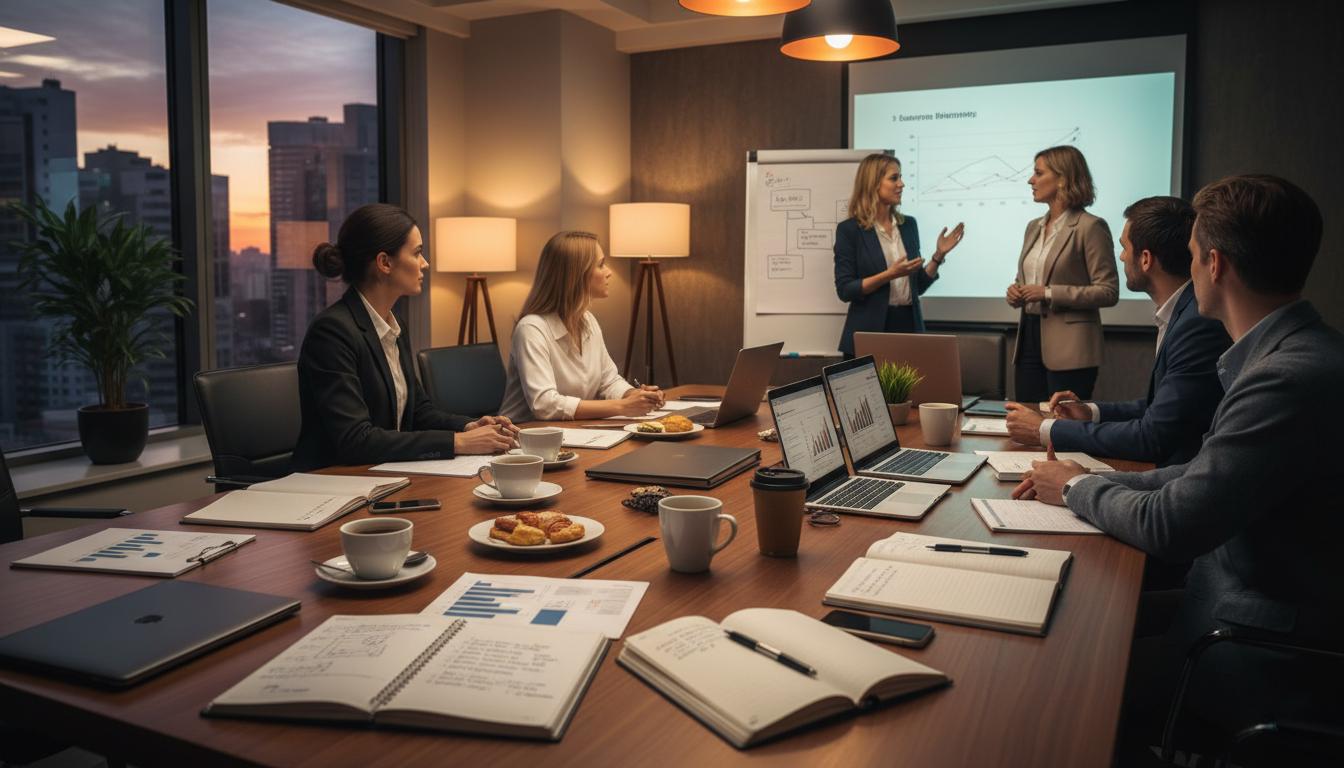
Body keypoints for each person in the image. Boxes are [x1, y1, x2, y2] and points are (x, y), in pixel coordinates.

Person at [1013, 175, 1344, 754]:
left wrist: (1073, 490)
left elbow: (1173, 525)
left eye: (1191, 256)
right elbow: (1199, 471)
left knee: (1053, 693)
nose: (1189, 273)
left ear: (1214, 264)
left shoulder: (1284, 379)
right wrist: (1086, 479)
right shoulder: (1297, 353)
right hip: (1238, 606)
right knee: (1070, 618)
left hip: (1253, 648)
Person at [1004, 196, 1230, 467]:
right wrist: (1090, 411)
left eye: (1124, 248)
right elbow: (1159, 408)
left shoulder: (1196, 325)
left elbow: (1152, 437)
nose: (1121, 256)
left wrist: (1044, 429)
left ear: (1145, 259)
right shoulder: (1183, 312)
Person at [292, 203, 517, 471]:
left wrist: (469, 426)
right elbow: (355, 440)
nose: (425, 263)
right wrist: (458, 442)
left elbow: (418, 412)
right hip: (332, 479)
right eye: (417, 253)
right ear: (385, 263)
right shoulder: (332, 332)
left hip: (382, 473)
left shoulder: (395, 325)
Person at [500, 231, 664, 421]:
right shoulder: (531, 329)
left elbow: (609, 381)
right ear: (576, 275)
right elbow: (544, 405)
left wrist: (634, 396)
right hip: (524, 434)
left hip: (573, 431)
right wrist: (622, 406)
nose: (609, 272)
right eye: (601, 265)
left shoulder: (587, 320)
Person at [1007, 146, 1118, 402]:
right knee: (1026, 418)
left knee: (1063, 422)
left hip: (1071, 349)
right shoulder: (1032, 227)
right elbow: (1026, 279)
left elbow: (1108, 291)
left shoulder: (1090, 227)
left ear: (1062, 179)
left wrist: (1047, 293)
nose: (1030, 180)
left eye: (1038, 173)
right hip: (1029, 339)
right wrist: (1016, 291)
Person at [834, 153, 965, 358]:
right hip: (869, 332)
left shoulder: (908, 225)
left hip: (908, 327)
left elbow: (917, 286)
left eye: (900, 177)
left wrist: (938, 256)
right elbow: (845, 290)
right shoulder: (850, 230)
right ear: (873, 183)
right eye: (894, 178)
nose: (901, 184)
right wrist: (889, 275)